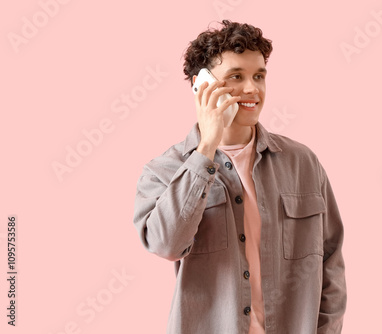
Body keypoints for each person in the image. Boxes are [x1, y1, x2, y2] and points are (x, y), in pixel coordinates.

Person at [133, 20, 347, 334]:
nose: (252, 89)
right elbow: (166, 245)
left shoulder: (302, 163)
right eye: (236, 76)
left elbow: (331, 258)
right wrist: (206, 148)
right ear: (200, 85)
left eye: (259, 76)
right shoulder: (164, 170)